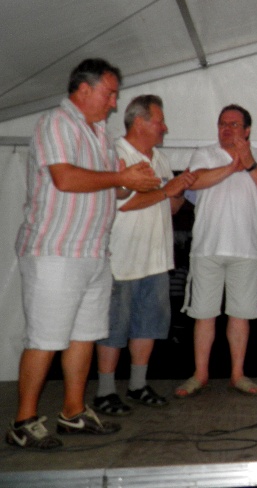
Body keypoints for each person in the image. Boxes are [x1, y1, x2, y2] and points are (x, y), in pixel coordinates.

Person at [8, 59, 161, 449]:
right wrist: (121, 177)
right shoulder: (56, 123)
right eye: (109, 94)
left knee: (84, 336)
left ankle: (73, 412)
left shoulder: (100, 134)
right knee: (45, 338)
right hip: (56, 252)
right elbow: (64, 178)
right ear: (83, 89)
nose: (114, 103)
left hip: (93, 251)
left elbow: (111, 188)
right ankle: (23, 421)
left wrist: (133, 182)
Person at [93, 95, 196, 416]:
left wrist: (180, 191)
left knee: (148, 325)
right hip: (122, 259)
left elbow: (168, 206)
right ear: (139, 122)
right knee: (114, 327)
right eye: (159, 121)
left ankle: (137, 385)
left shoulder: (160, 158)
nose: (165, 127)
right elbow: (122, 204)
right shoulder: (116, 154)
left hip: (156, 258)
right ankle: (105, 392)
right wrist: (166, 190)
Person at [175, 105, 257, 398]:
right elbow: (195, 181)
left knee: (240, 315)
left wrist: (249, 163)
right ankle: (200, 374)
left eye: (234, 124)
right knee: (203, 315)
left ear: (247, 130)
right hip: (207, 247)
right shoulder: (204, 154)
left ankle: (237, 374)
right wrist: (231, 167)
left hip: (246, 249)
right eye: (222, 123)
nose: (226, 128)